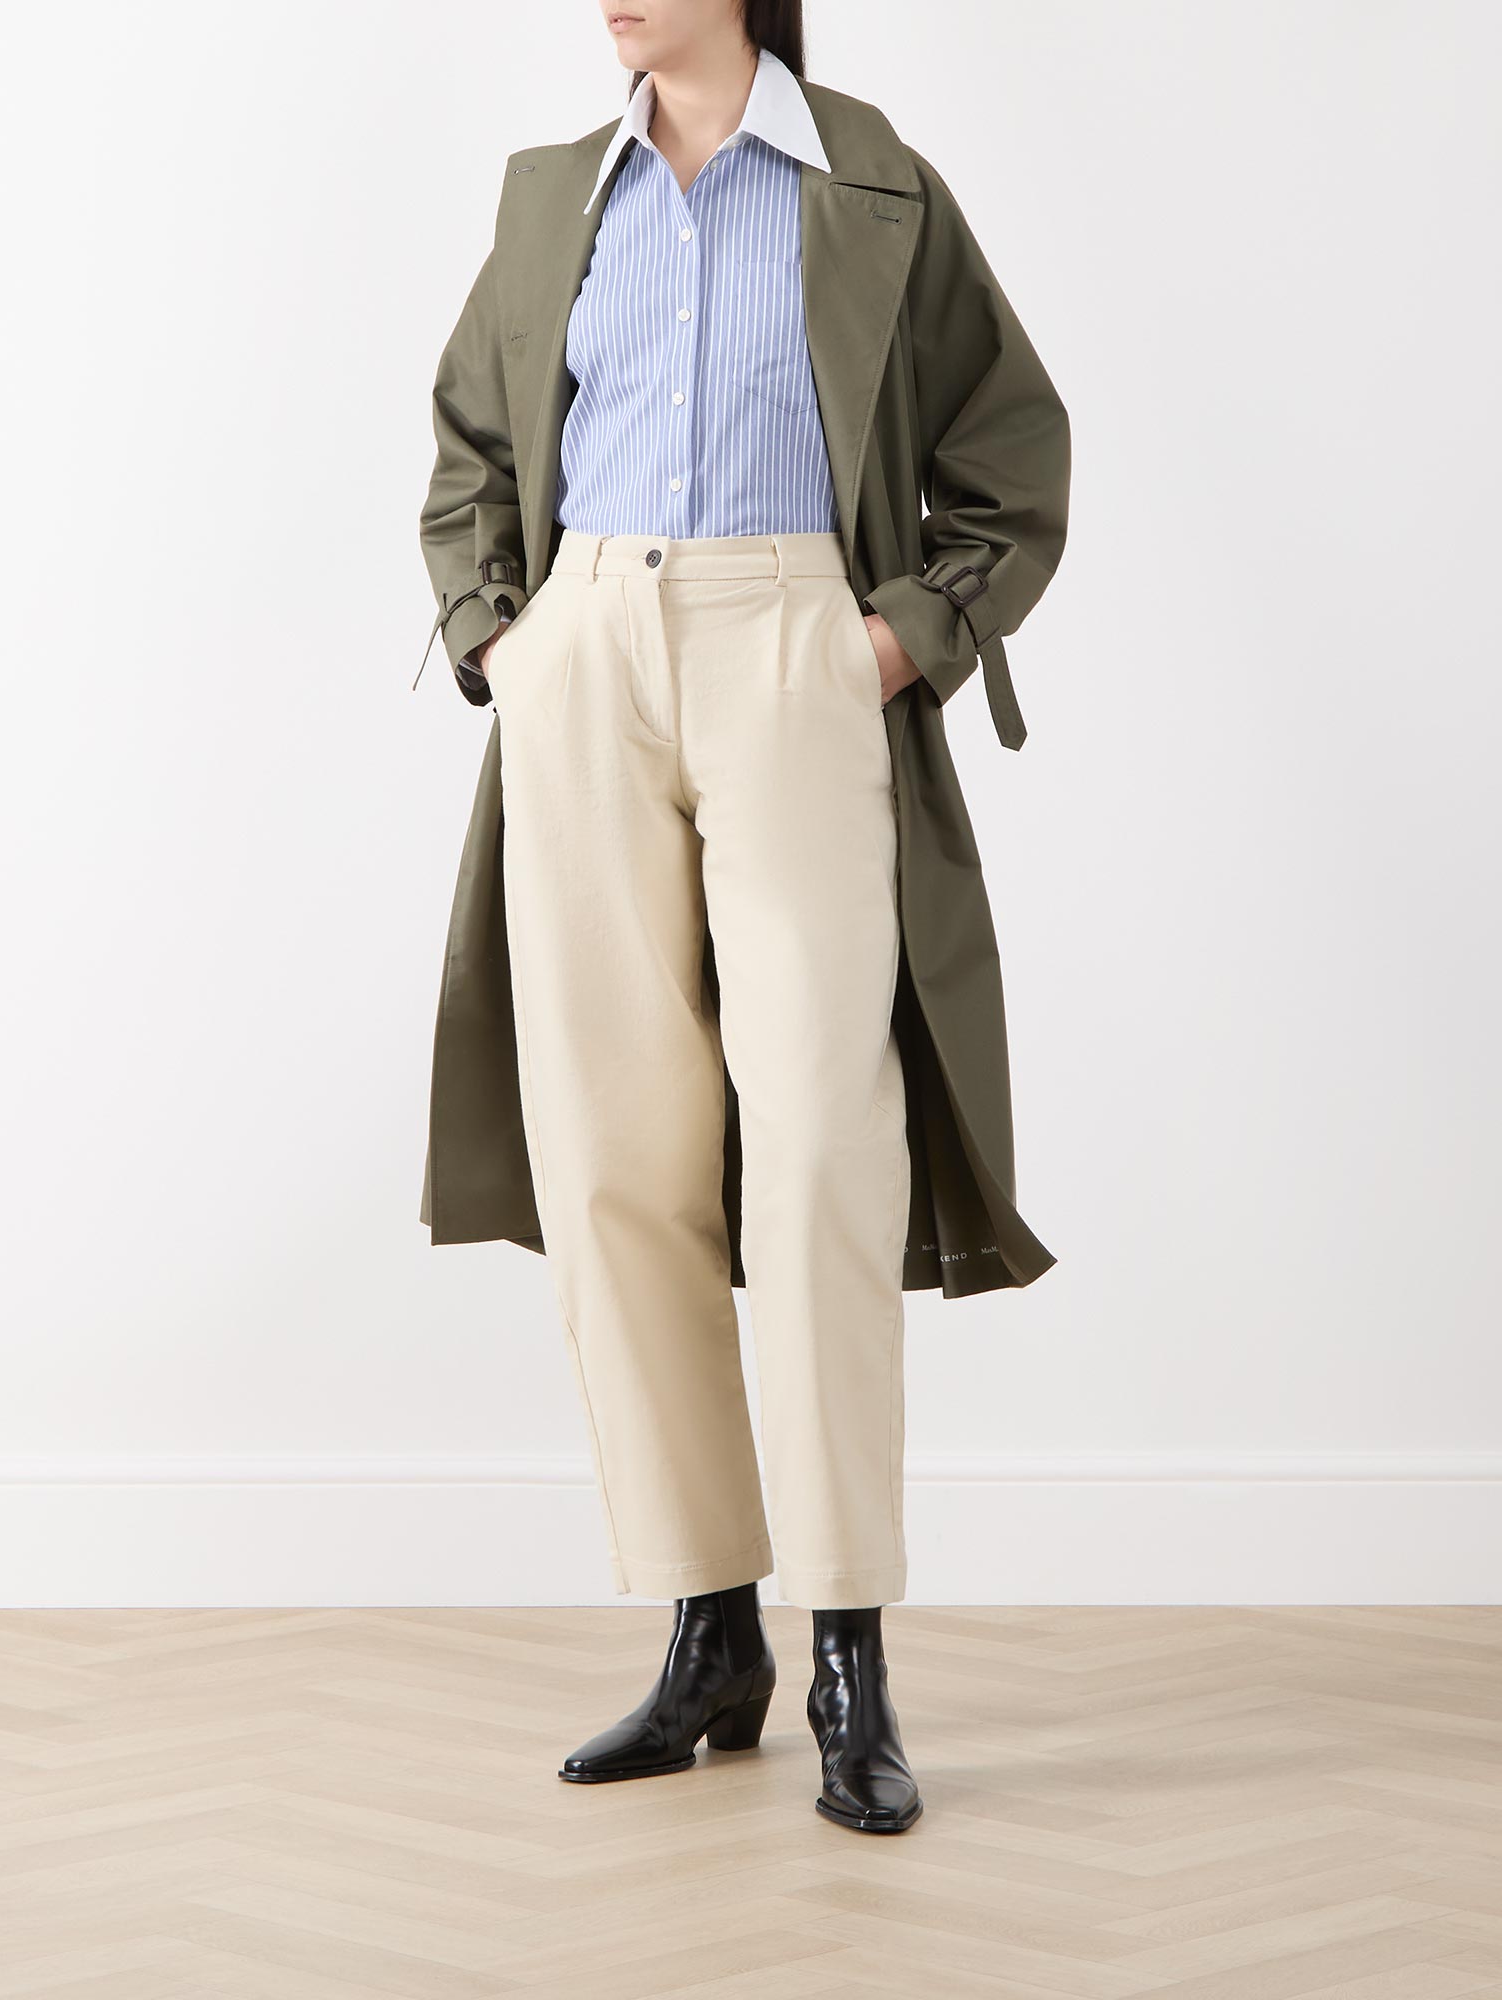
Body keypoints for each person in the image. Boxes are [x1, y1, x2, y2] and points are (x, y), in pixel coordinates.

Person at [416, 0, 1070, 1835]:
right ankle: (711, 1628)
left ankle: (851, 1649)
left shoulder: (872, 183)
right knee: (615, 1154)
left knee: (820, 1152)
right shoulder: (553, 196)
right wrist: (507, 640)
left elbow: (1014, 453)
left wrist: (890, 645)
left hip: (795, 652)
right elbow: (469, 448)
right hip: (589, 656)